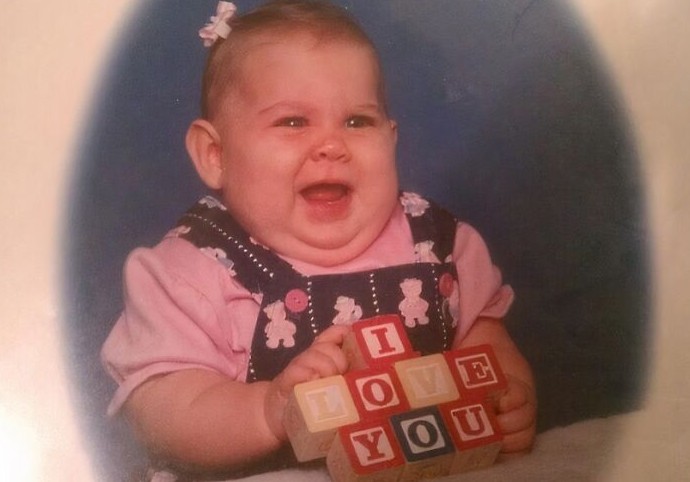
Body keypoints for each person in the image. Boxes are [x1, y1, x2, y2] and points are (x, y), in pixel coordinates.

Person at [101, 0, 536, 479]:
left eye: (357, 121)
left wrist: (509, 399)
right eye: (293, 122)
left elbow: (485, 342)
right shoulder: (191, 272)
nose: (332, 145)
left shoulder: (440, 245)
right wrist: (266, 411)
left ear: (391, 139)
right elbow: (165, 413)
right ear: (215, 154)